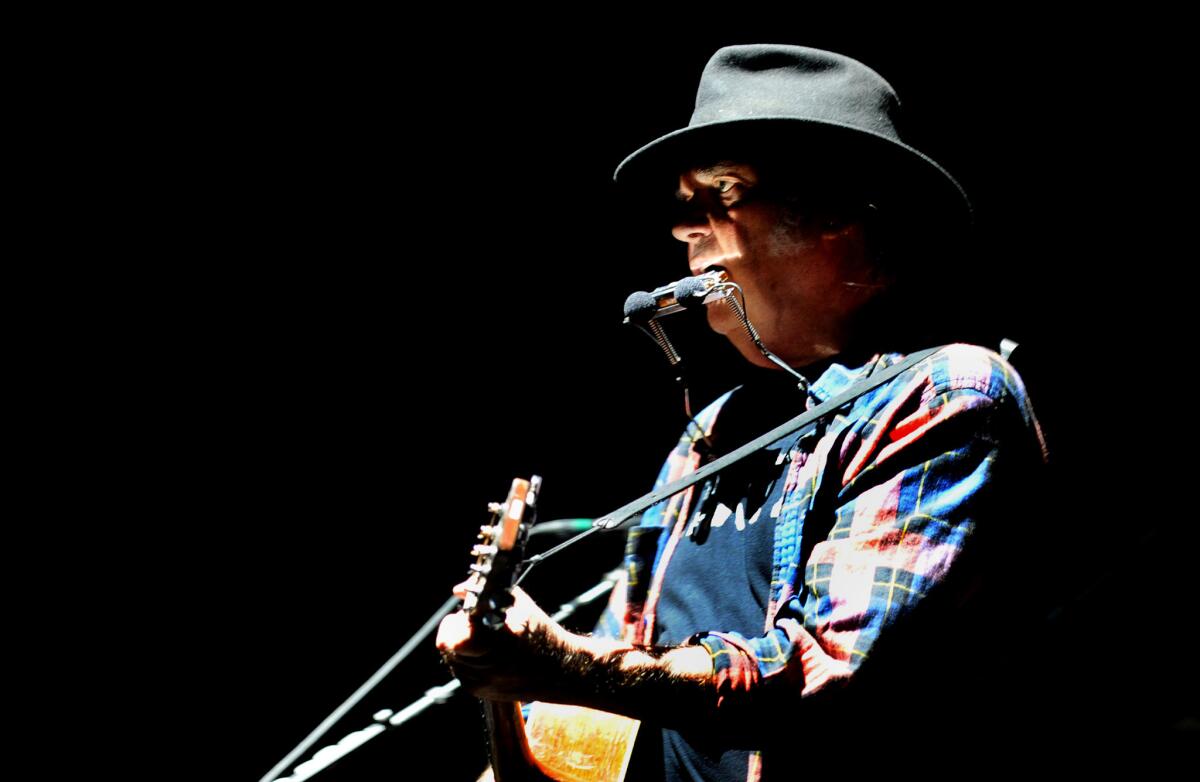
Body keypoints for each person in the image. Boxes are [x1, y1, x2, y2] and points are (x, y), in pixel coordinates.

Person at [438, 44, 1050, 779]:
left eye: (724, 190)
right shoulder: (712, 432)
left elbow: (821, 671)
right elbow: (606, 692)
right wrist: (528, 697)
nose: (684, 228)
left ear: (842, 215)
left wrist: (565, 666)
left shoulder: (950, 391)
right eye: (683, 200)